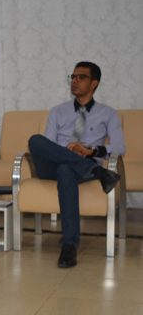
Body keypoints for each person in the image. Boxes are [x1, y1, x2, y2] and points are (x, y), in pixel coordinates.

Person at [27, 61, 124, 268]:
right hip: (53, 164)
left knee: (66, 170)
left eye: (81, 77)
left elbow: (119, 147)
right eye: (73, 77)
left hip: (79, 166)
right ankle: (98, 171)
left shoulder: (108, 113)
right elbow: (48, 144)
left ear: (94, 83)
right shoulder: (57, 111)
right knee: (35, 140)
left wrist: (90, 151)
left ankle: (69, 245)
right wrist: (67, 152)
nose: (75, 81)